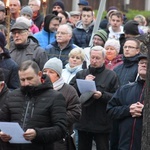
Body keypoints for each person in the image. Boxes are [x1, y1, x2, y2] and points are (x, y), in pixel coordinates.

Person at [0, 60, 67, 150]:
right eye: (22, 80)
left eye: (29, 78)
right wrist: (2, 133)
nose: (26, 83)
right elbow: (2, 121)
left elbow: (61, 129)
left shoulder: (55, 97)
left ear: (39, 75)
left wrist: (37, 134)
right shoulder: (12, 96)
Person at [70, 46, 119, 150]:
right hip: (83, 121)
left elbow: (117, 97)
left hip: (102, 123)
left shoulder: (111, 75)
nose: (94, 61)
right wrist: (84, 81)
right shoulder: (81, 73)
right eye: (92, 58)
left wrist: (102, 95)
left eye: (97, 58)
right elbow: (71, 92)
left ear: (103, 59)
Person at [107, 54, 147, 150]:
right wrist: (128, 110)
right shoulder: (125, 89)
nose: (144, 65)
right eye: (141, 63)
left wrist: (145, 111)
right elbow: (110, 110)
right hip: (124, 145)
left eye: (147, 63)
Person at [43, 57, 81, 150]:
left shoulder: (69, 91)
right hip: (41, 137)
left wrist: (56, 119)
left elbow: (76, 113)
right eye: (45, 71)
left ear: (58, 75)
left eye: (51, 72)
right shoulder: (38, 89)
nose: (47, 74)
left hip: (60, 139)